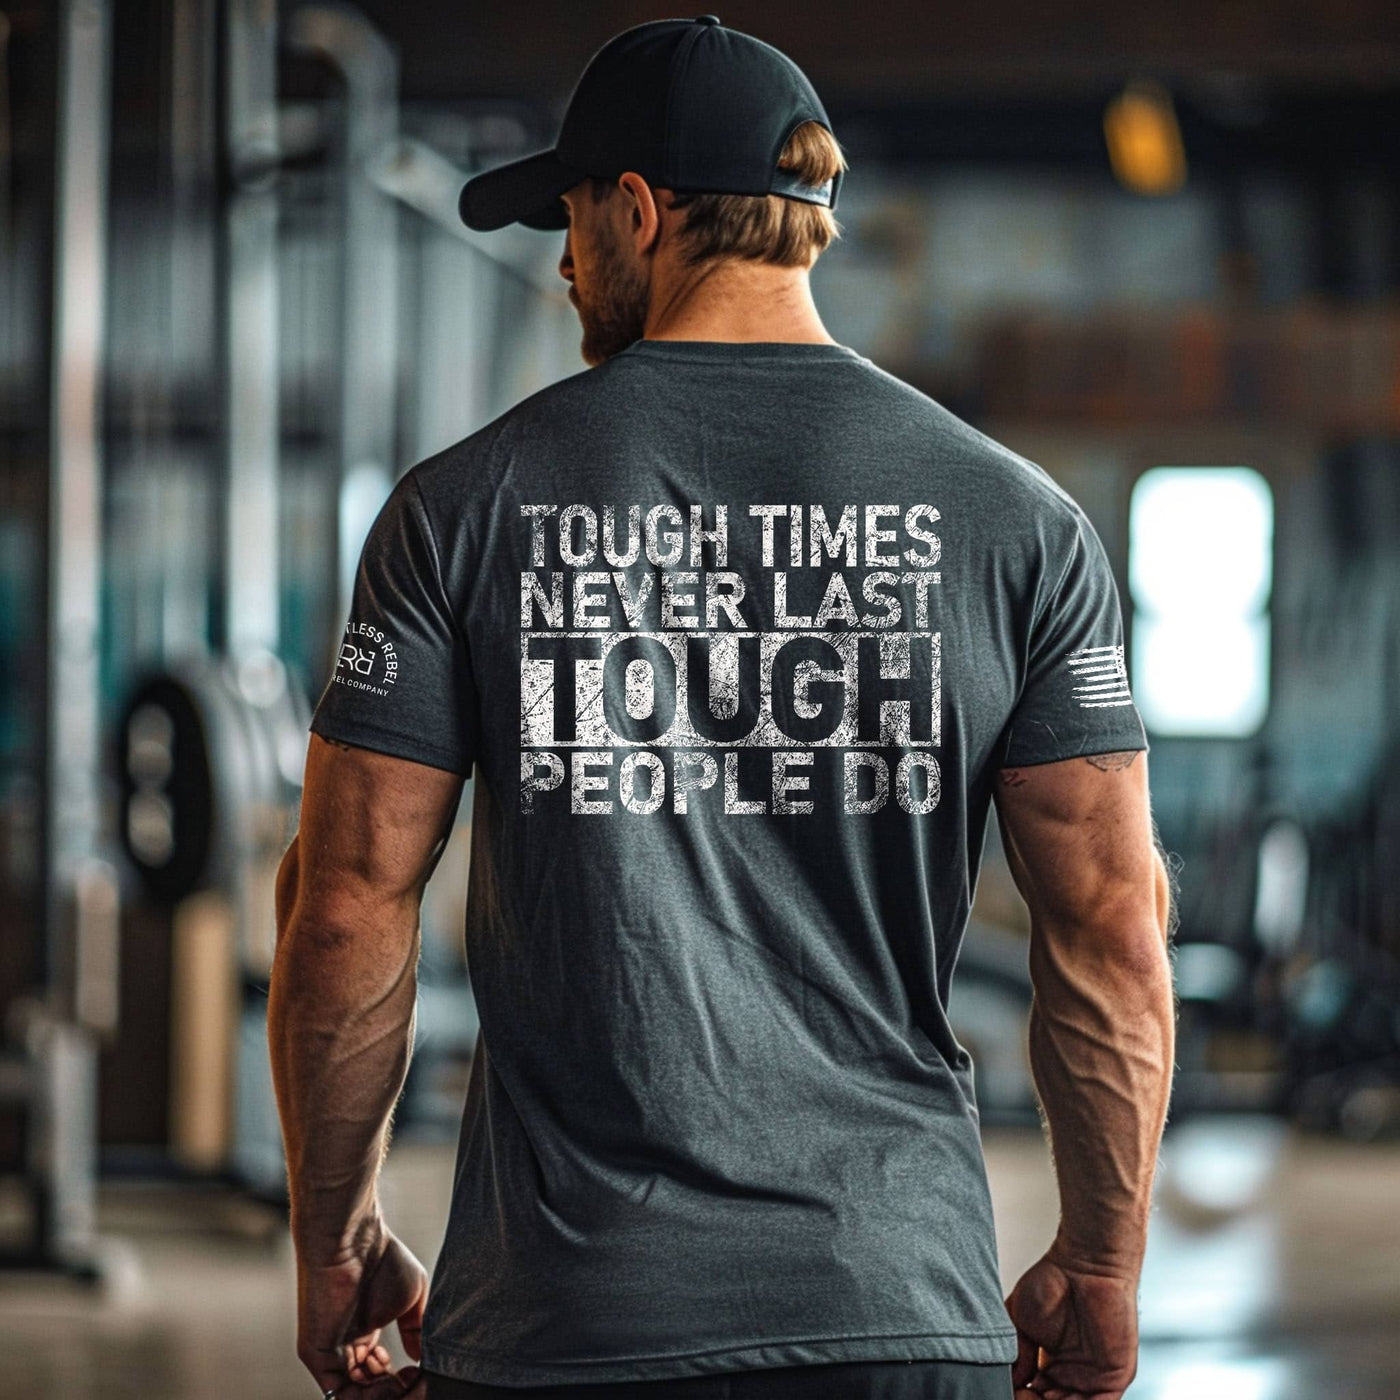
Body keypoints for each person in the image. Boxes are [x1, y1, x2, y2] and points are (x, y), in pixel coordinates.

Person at [267, 15, 1176, 1400]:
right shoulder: (1021, 526)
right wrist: (1104, 1264)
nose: (567, 266)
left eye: (572, 223)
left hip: (568, 1328)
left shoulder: (459, 510)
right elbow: (1113, 925)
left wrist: (334, 1239)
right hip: (892, 1312)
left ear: (639, 210)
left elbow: (343, 908)